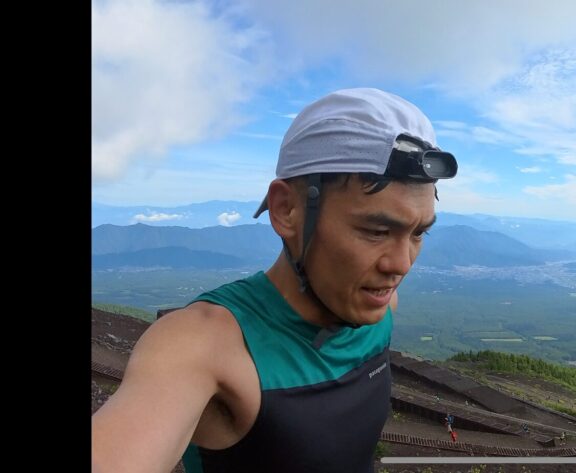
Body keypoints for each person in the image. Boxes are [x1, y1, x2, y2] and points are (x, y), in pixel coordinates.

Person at [92, 88, 458, 473]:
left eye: (419, 233)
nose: (401, 264)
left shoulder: (380, 306)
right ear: (286, 210)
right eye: (376, 231)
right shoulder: (204, 346)